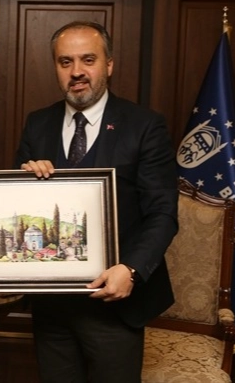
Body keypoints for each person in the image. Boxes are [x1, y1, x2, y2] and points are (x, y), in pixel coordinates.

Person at [14, 21, 179, 382]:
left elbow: (163, 212)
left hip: (116, 305)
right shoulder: (37, 124)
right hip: (52, 306)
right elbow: (18, 205)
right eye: (65, 62)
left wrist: (131, 269)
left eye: (88, 60)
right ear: (56, 68)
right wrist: (24, 179)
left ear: (109, 64)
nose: (76, 71)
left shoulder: (144, 125)